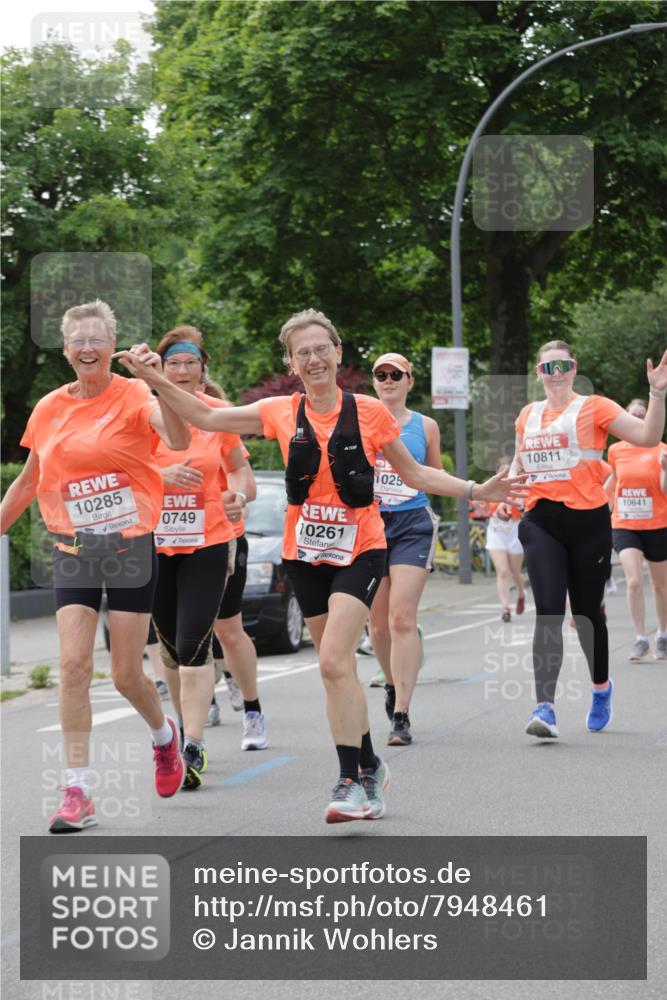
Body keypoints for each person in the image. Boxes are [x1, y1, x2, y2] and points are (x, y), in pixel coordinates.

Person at [114, 308, 527, 823]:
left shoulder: (370, 412)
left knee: (333, 660)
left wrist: (474, 489)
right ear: (291, 362)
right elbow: (204, 418)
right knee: (339, 674)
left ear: (337, 353)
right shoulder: (280, 412)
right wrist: (152, 377)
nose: (313, 359)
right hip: (305, 556)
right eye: (301, 352)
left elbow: (415, 472)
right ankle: (371, 764)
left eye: (320, 349)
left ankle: (351, 780)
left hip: (361, 549)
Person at [0, 300, 190, 832]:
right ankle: (77, 792)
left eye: (97, 339)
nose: (87, 347)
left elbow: (176, 440)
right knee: (74, 667)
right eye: (78, 340)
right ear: (65, 350)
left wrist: (156, 379)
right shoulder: (49, 408)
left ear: (112, 346)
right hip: (74, 548)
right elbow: (29, 481)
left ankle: (163, 738)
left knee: (127, 674)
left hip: (129, 547)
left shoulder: (134, 394)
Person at [498, 341, 667, 740]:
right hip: (540, 521)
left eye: (564, 365)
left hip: (588, 522)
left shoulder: (596, 407)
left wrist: (657, 393)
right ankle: (546, 707)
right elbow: (521, 462)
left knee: (588, 616)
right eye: (547, 366)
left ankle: (601, 687)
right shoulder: (528, 415)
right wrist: (509, 496)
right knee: (550, 610)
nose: (556, 373)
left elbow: (646, 436)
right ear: (538, 372)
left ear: (574, 369)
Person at [150, 326, 251, 790]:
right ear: (160, 369)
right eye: (174, 364)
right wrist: (161, 475)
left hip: (208, 543)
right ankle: (176, 733)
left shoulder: (218, 415)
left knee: (194, 644)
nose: (184, 371)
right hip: (152, 545)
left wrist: (239, 496)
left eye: (191, 363)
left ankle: (191, 745)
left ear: (202, 369)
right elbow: (121, 472)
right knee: (170, 651)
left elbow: (242, 473)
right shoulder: (141, 414)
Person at [368, 352, 441, 746]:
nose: (389, 379)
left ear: (410, 381)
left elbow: (432, 473)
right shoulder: (359, 419)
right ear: (374, 381)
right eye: (382, 374)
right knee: (377, 627)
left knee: (401, 619)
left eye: (397, 374)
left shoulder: (425, 426)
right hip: (370, 527)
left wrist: (474, 491)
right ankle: (392, 685)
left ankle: (402, 714)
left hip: (412, 523)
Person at [202, 376, 266, 750]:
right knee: (185, 634)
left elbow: (247, 482)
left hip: (224, 537)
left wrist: (236, 496)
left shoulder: (222, 428)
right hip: (172, 544)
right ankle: (198, 710)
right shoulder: (154, 421)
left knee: (226, 630)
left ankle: (252, 706)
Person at [606, 398, 667, 661]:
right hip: (625, 523)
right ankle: (641, 639)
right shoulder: (615, 450)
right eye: (632, 415)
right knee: (633, 581)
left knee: (660, 586)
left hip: (657, 523)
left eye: (642, 415)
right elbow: (612, 484)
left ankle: (663, 635)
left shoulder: (661, 449)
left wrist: (665, 469)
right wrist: (597, 511)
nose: (638, 419)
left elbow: (665, 490)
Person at [483, 458, 526, 623]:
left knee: (515, 572)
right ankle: (505, 608)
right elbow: (484, 507)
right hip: (496, 532)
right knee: (502, 571)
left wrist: (515, 509)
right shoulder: (490, 488)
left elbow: (525, 510)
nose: (506, 475)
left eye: (510, 472)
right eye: (503, 472)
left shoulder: (522, 489)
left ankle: (521, 593)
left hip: (515, 531)